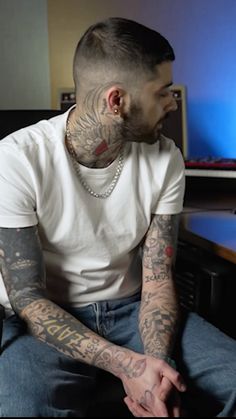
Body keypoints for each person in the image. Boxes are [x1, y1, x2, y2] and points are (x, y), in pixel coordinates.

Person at [0, 17, 235, 418]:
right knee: (23, 408)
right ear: (116, 101)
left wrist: (154, 373)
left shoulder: (166, 158)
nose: (172, 103)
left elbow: (159, 282)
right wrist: (129, 366)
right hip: (47, 320)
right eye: (163, 92)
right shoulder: (17, 159)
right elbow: (28, 300)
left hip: (131, 309)